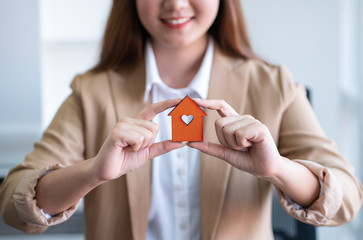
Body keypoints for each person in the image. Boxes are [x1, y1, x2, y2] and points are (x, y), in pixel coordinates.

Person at [0, 0, 362, 239]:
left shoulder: (274, 83)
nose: (174, 4)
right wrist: (93, 171)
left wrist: (278, 169)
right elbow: (13, 204)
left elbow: (346, 198)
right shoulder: (92, 90)